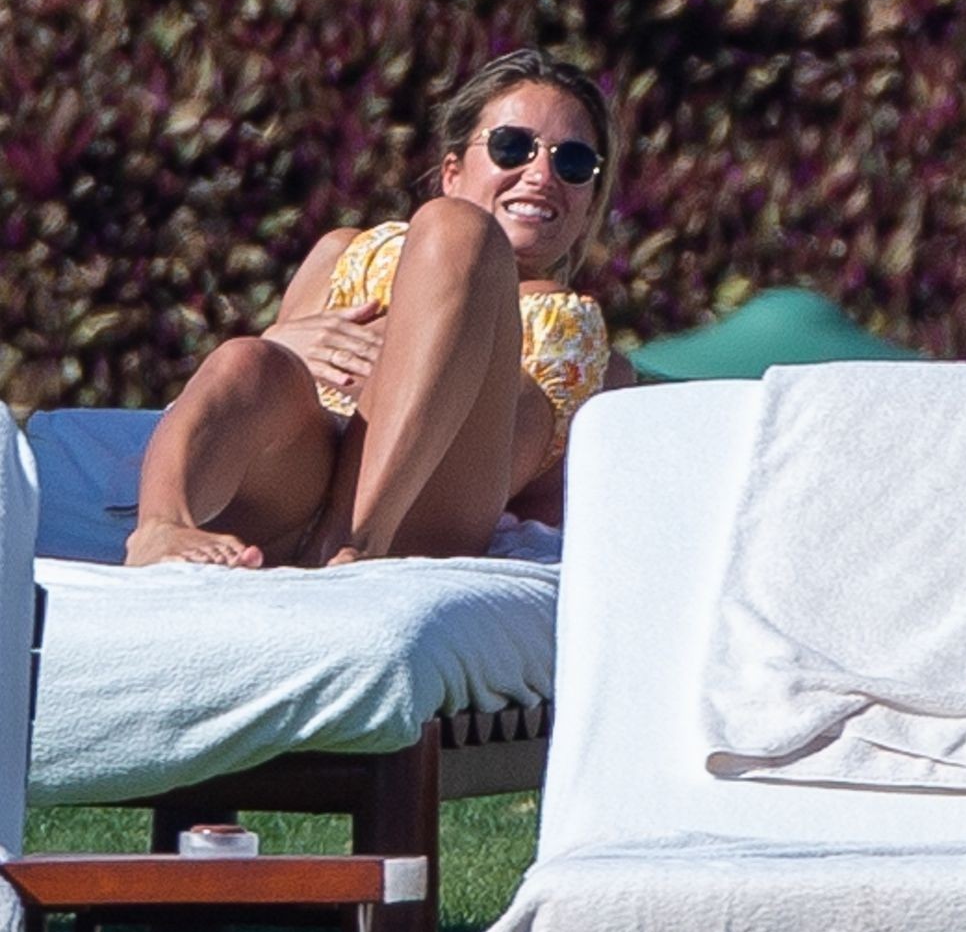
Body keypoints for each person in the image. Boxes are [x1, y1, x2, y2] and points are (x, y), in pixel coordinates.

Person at [125, 48, 637, 568]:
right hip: (295, 483)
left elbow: (528, 477)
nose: (541, 174)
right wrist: (279, 341)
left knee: (461, 232)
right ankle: (160, 525)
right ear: (452, 171)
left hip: (422, 509)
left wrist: (438, 374)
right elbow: (247, 400)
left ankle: (354, 538)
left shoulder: (593, 356)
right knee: (247, 359)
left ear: (589, 203)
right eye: (512, 147)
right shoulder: (345, 255)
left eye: (573, 162)